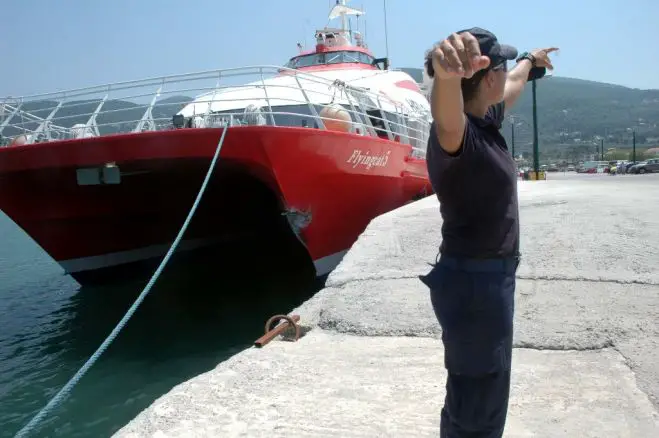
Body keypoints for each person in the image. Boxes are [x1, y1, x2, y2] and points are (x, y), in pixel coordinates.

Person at [419, 28, 557, 437]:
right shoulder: (459, 134)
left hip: (487, 280)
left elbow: (513, 85)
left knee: (480, 388)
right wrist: (445, 76)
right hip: (475, 286)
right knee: (478, 401)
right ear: (485, 77)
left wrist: (530, 62)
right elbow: (445, 117)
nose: (506, 74)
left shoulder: (485, 117)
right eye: (502, 65)